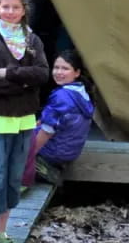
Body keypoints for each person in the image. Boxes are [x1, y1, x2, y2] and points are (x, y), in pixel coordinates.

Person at [0, 0, 49, 243]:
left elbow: (42, 73)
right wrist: (25, 84)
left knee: (14, 177)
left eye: (15, 7)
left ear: (23, 10)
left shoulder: (32, 40)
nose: (10, 11)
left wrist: (10, 73)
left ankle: (1, 230)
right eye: (5, 6)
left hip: (25, 120)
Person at [22, 50, 94, 187]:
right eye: (56, 67)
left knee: (5, 141)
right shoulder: (82, 92)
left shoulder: (62, 97)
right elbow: (49, 121)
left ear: (77, 72)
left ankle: (40, 166)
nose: (59, 72)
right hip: (70, 152)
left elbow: (47, 132)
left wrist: (28, 157)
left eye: (65, 68)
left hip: (53, 153)